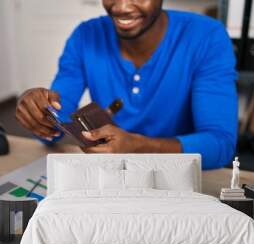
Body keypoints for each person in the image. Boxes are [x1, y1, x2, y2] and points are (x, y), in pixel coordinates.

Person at [15, 0, 238, 169]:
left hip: (176, 179)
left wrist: (140, 148)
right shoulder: (85, 36)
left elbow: (220, 144)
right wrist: (39, 112)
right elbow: (59, 115)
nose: (121, 7)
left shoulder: (206, 36)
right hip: (106, 175)